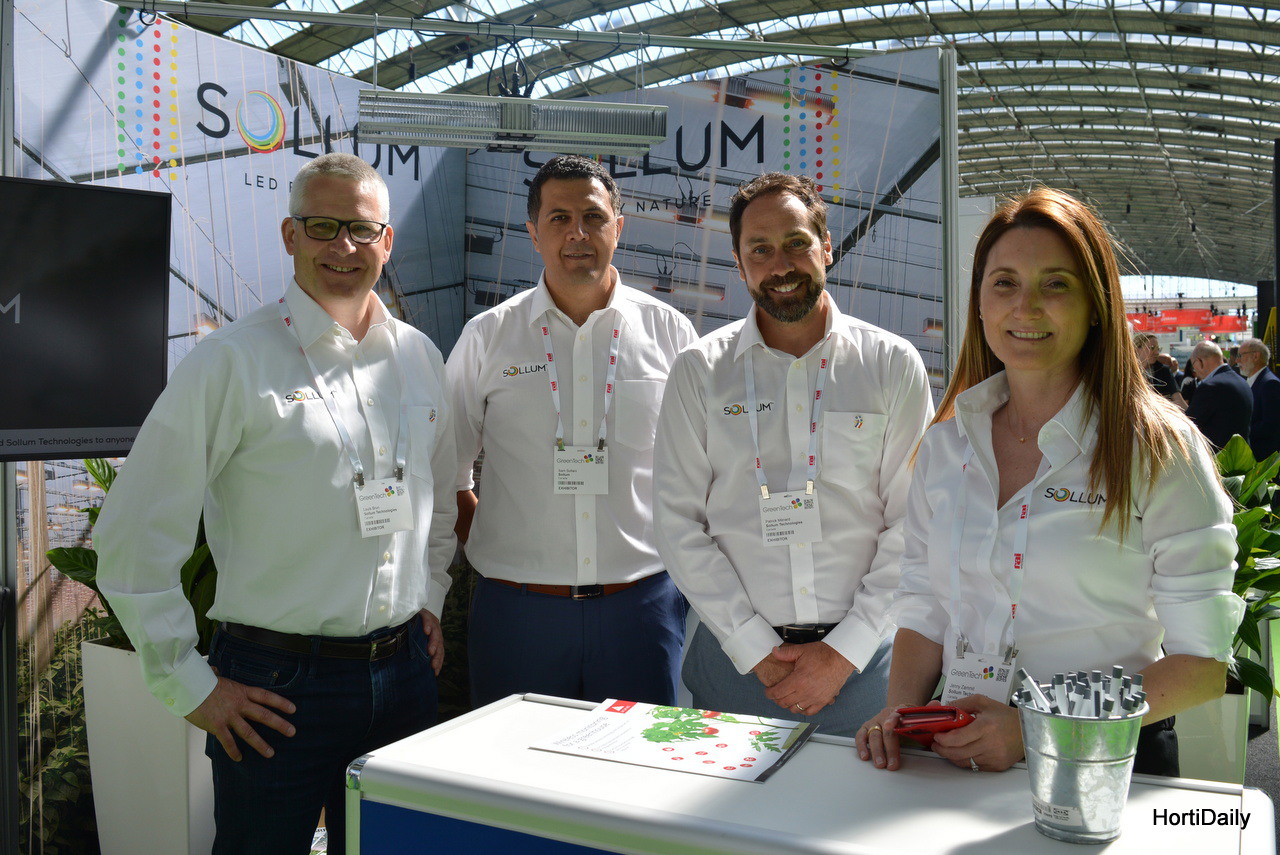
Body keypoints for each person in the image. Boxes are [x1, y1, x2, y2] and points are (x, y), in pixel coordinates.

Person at [95, 153, 457, 855]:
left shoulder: (419, 357)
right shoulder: (231, 361)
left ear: (387, 241)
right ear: (290, 236)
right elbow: (134, 533)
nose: (342, 246)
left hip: (404, 674)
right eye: (322, 226)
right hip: (277, 688)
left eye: (360, 228)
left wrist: (432, 595)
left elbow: (437, 496)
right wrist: (189, 684)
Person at [855, 188, 1243, 777]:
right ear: (979, 302)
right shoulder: (946, 445)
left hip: (1104, 768)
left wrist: (1039, 727)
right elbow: (925, 605)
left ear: (1096, 305)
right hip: (959, 753)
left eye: (1055, 284)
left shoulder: (1157, 448)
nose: (1026, 306)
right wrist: (900, 714)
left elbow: (1201, 666)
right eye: (1004, 283)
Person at [653, 173, 934, 736]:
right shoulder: (700, 372)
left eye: (796, 243)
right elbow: (677, 522)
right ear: (740, 265)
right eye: (759, 250)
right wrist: (753, 646)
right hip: (735, 666)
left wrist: (844, 653)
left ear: (826, 246)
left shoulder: (891, 365)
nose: (780, 265)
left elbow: (916, 523)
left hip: (867, 668)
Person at [447, 154, 697, 707]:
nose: (577, 233)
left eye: (593, 217)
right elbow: (449, 470)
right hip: (518, 613)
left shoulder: (670, 333)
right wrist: (501, 547)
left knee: (637, 760)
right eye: (559, 218)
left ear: (618, 227)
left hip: (642, 610)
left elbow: (700, 469)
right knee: (514, 760)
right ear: (533, 232)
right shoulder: (489, 336)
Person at [1186, 340, 1252, 450]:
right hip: (1241, 454)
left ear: (1200, 361)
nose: (1195, 371)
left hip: (1219, 456)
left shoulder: (1210, 386)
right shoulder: (1242, 381)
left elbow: (1189, 423)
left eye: (1193, 366)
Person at [1238, 337, 1280, 462]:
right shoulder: (1253, 381)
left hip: (1263, 457)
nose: (1237, 360)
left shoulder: (1270, 384)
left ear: (1256, 356)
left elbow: (1270, 425)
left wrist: (1241, 430)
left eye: (1241, 355)